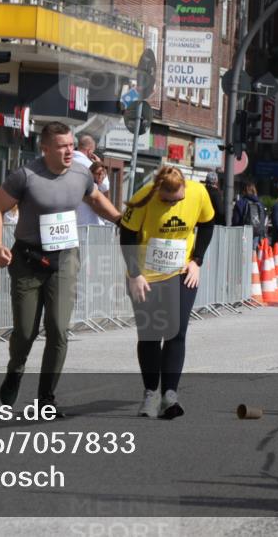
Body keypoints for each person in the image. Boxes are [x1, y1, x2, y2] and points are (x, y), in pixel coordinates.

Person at [0, 122, 122, 415]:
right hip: (28, 260)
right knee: (25, 331)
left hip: (64, 260)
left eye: (72, 145)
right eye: (62, 146)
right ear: (45, 148)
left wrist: (121, 221)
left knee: (58, 329)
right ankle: (16, 368)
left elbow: (96, 198)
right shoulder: (25, 176)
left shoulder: (80, 174)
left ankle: (46, 398)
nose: (69, 151)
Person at [120, 165, 215, 419]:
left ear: (184, 187)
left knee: (176, 330)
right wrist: (134, 274)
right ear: (158, 191)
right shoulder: (144, 197)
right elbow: (126, 234)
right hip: (146, 276)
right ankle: (151, 393)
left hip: (180, 273)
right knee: (150, 334)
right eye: (166, 200)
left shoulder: (197, 192)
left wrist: (197, 260)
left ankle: (170, 395)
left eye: (178, 200)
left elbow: (207, 224)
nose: (173, 204)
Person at [73, 133, 109, 225]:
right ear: (90, 151)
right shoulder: (90, 165)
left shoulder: (67, 162)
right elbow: (105, 187)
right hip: (89, 218)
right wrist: (99, 163)